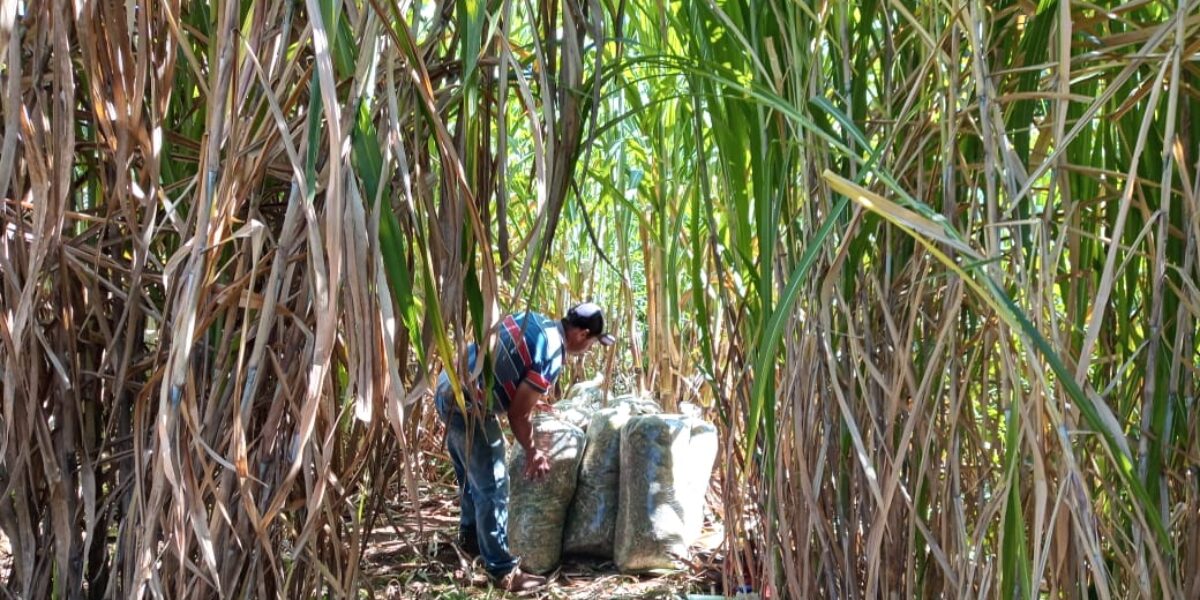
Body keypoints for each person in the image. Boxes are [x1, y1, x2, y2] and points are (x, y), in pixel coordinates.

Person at [433, 302, 615, 592]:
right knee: (493, 484)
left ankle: (470, 541)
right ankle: (502, 571)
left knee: (471, 477)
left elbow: (507, 363)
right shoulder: (552, 353)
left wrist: (529, 398)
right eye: (593, 341)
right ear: (581, 334)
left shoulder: (535, 320)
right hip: (468, 405)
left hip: (448, 387)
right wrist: (533, 452)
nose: (591, 348)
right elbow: (518, 415)